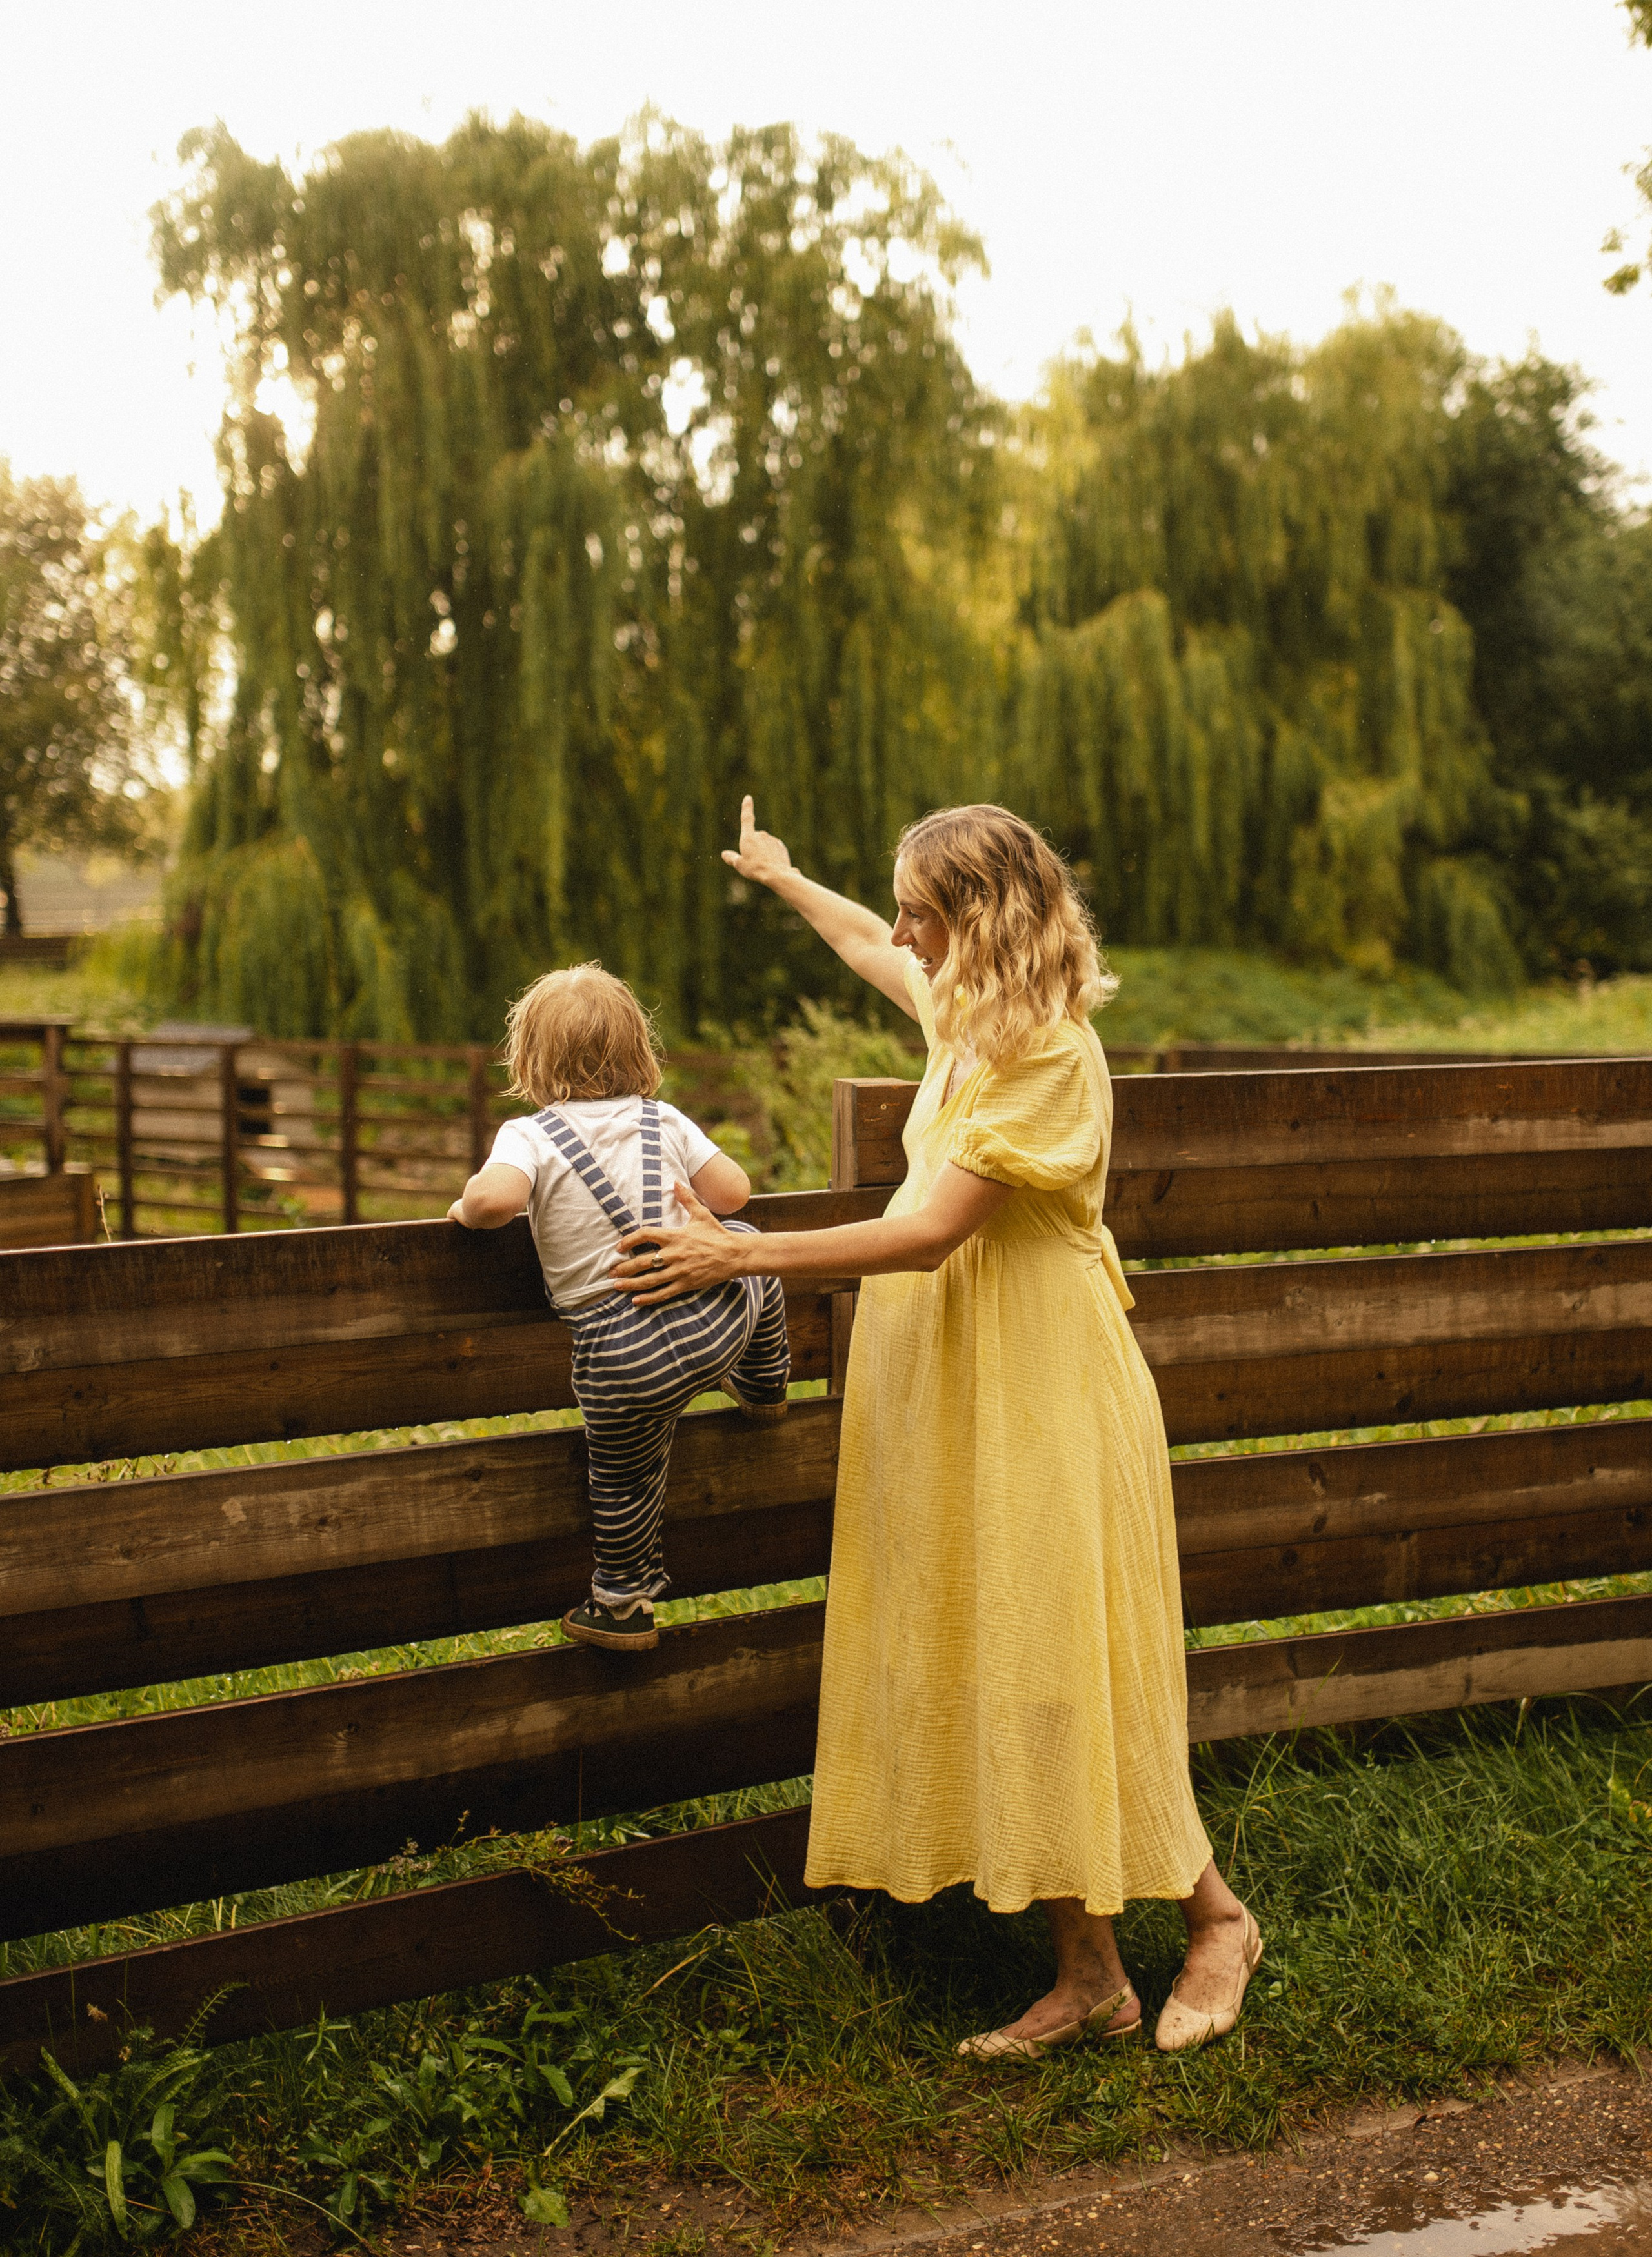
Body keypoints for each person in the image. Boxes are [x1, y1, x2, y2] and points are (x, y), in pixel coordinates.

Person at [608, 799, 1262, 2054]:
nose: (905, 929)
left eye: (925, 909)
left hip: (1041, 1388)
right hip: (953, 1392)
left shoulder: (1051, 1055)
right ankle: (1090, 1979)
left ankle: (1217, 1921)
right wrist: (789, 879)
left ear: (988, 919)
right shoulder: (965, 1016)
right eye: (903, 904)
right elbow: (866, 946)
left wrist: (733, 1255)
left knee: (1065, 1661)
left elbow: (927, 1232)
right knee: (1005, 1657)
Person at [448, 961, 791, 1652]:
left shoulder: (529, 1135)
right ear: (640, 1050)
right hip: (712, 1315)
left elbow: (494, 1203)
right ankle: (763, 1382)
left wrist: (461, 1206)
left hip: (623, 1356)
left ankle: (623, 1602)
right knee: (751, 1247)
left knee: (624, 1476)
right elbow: (734, 1194)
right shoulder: (661, 1117)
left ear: (530, 1059)